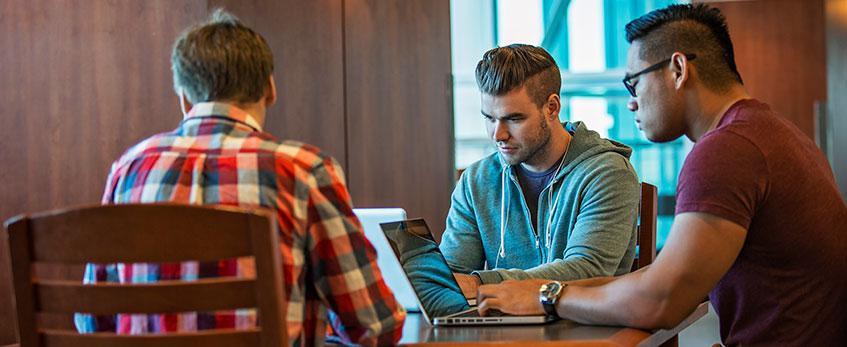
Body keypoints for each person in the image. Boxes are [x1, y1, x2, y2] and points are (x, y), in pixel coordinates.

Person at [476, 4, 847, 346]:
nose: (631, 101)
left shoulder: (727, 151)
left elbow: (663, 300)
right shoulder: (766, 130)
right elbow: (662, 281)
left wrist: (546, 296)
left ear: (679, 70)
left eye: (634, 82)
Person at [73, 9, 404, 346]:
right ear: (270, 89)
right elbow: (374, 324)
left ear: (185, 98)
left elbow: (92, 320)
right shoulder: (304, 171)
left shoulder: (129, 170)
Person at [440, 44, 641, 298]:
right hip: (500, 331)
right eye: (489, 118)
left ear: (552, 108)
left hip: (583, 330)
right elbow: (451, 275)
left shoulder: (607, 173)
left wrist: (481, 284)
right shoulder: (476, 181)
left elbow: (588, 272)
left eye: (514, 119)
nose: (498, 135)